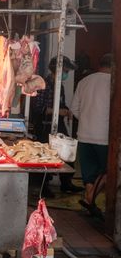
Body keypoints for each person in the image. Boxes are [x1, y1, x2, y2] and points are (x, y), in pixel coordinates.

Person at [32, 55, 83, 196]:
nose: (67, 74)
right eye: (66, 71)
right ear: (57, 69)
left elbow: (61, 103)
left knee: (67, 150)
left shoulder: (60, 85)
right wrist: (58, 111)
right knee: (45, 154)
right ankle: (43, 186)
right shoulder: (43, 84)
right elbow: (38, 108)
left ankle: (66, 183)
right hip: (44, 124)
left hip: (58, 122)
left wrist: (66, 111)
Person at [70, 53, 112, 218]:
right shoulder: (114, 83)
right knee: (109, 171)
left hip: (84, 135)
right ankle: (90, 199)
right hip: (105, 138)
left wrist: (88, 120)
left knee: (89, 174)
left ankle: (89, 200)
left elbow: (74, 109)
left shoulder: (84, 81)